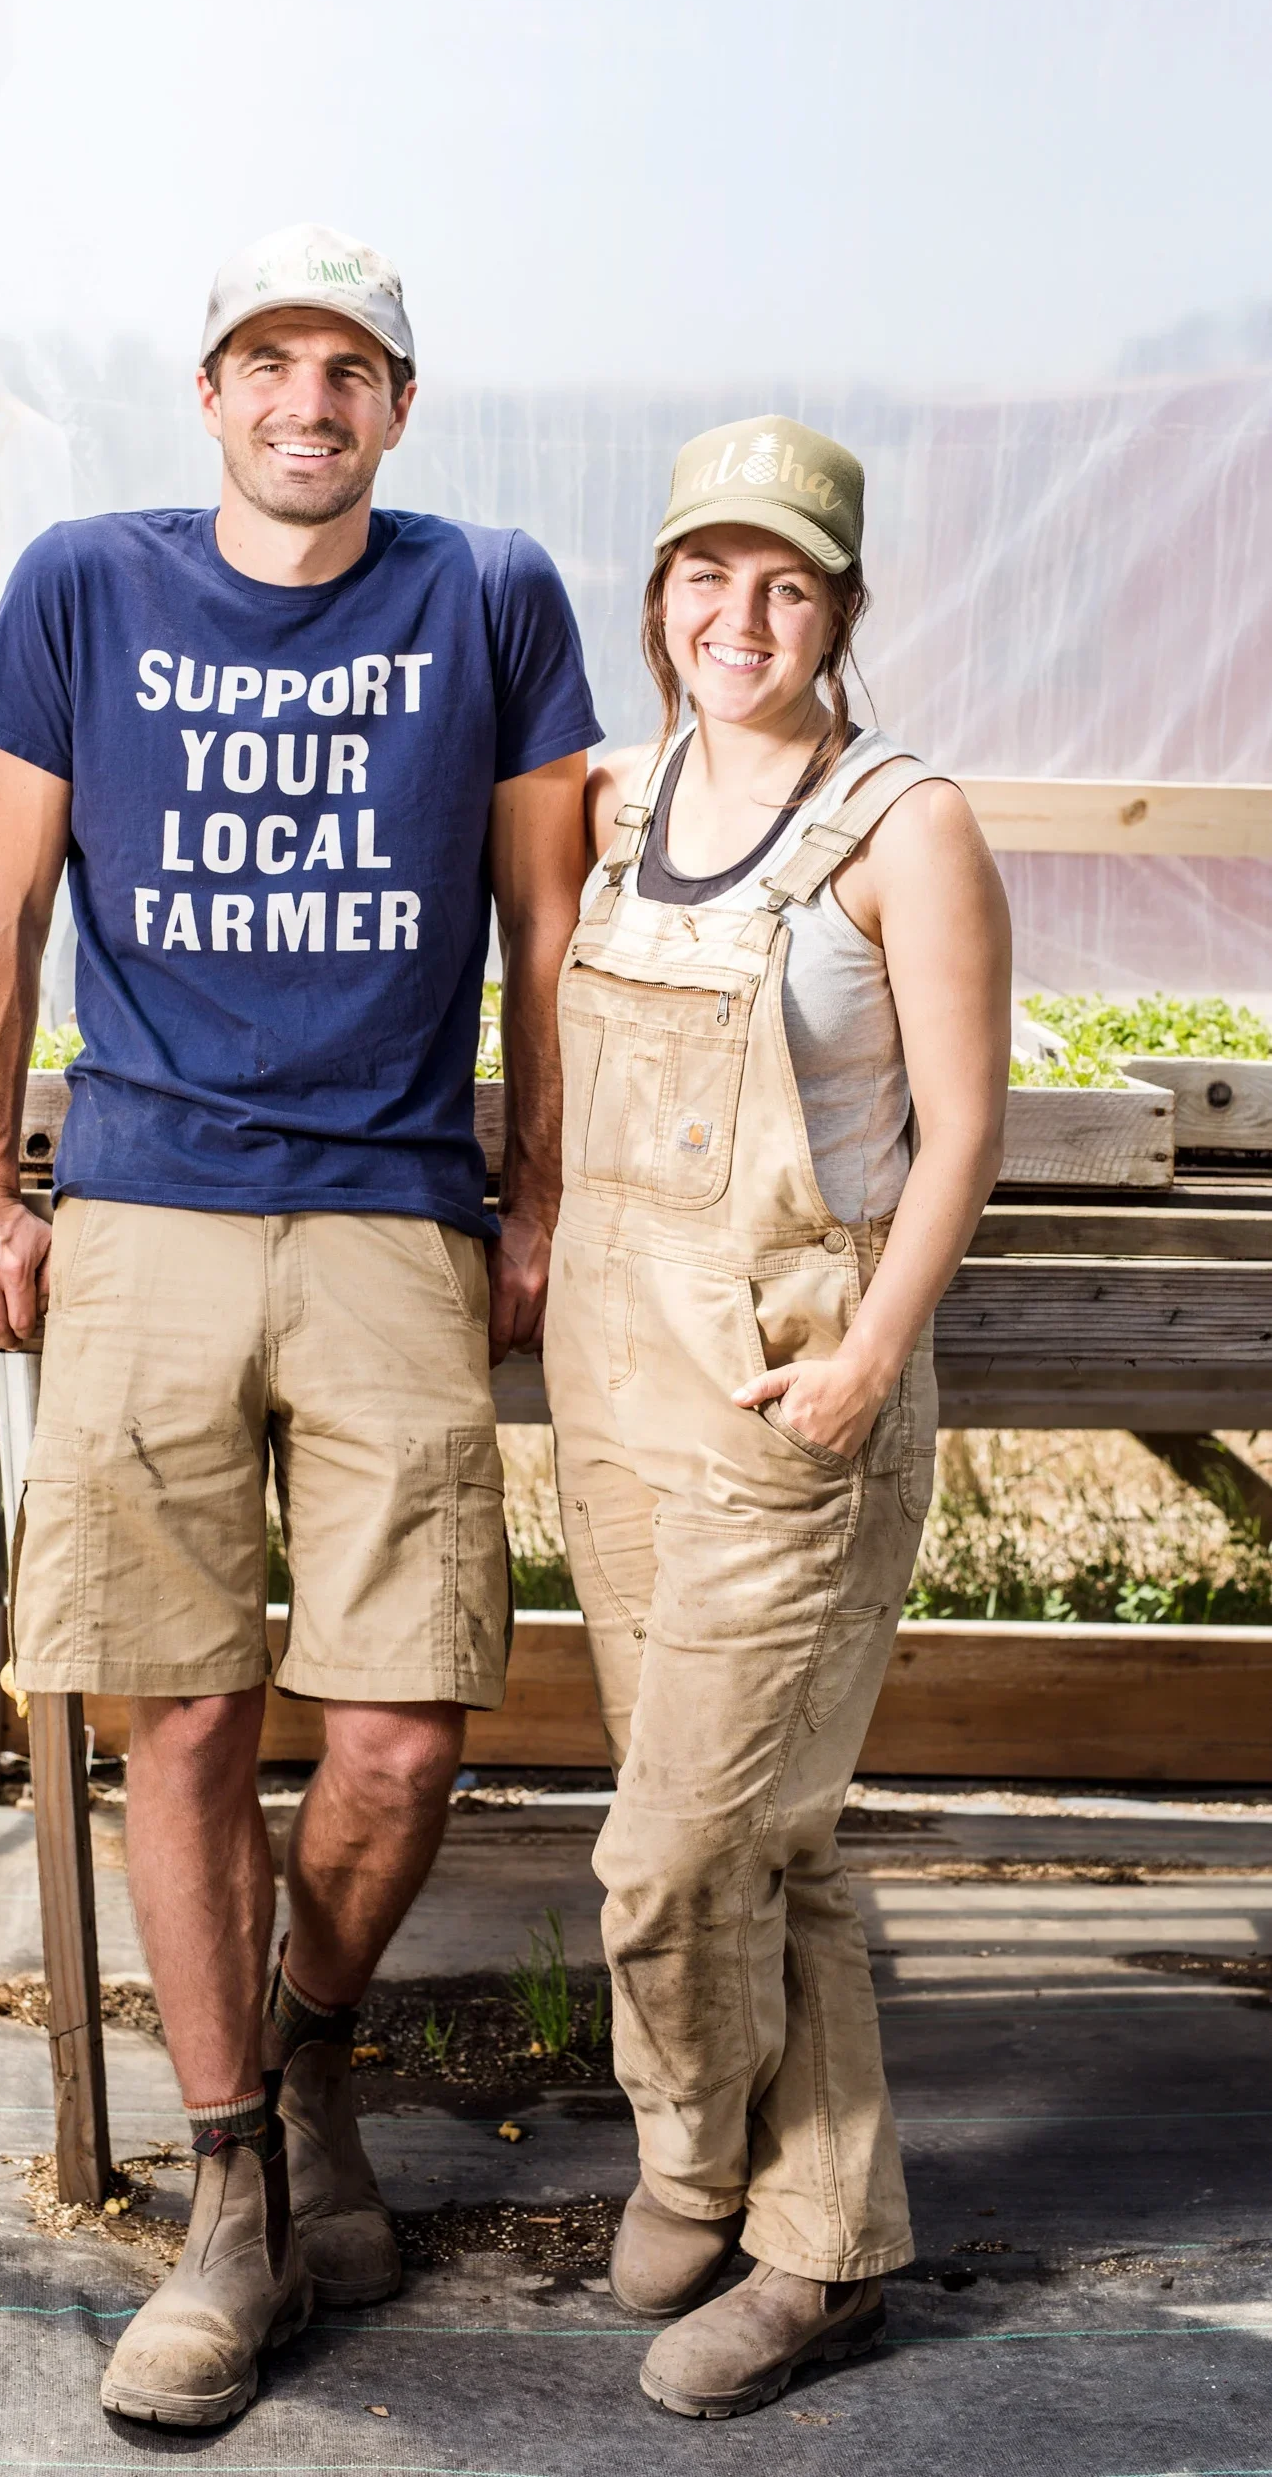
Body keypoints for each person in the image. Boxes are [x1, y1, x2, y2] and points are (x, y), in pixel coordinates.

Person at [0, 222, 599, 2429]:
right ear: (206, 395)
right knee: (186, 1718)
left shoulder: (486, 590)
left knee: (402, 1721)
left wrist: (537, 1199)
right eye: (264, 364)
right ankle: (234, 2194)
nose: (305, 402)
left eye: (348, 368)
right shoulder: (81, 586)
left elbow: (542, 922)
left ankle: (308, 2064)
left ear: (397, 404)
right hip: (141, 1211)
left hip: (395, 1212)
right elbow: (0, 908)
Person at [544, 416, 1010, 2419]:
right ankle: (817, 2247)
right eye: (702, 575)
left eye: (784, 582)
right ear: (657, 596)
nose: (738, 616)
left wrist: (856, 1361)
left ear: (837, 606)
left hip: (784, 1396)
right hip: (610, 1390)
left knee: (663, 1853)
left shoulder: (902, 825)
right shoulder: (607, 798)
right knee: (776, 1835)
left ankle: (692, 2161)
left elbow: (960, 1131)